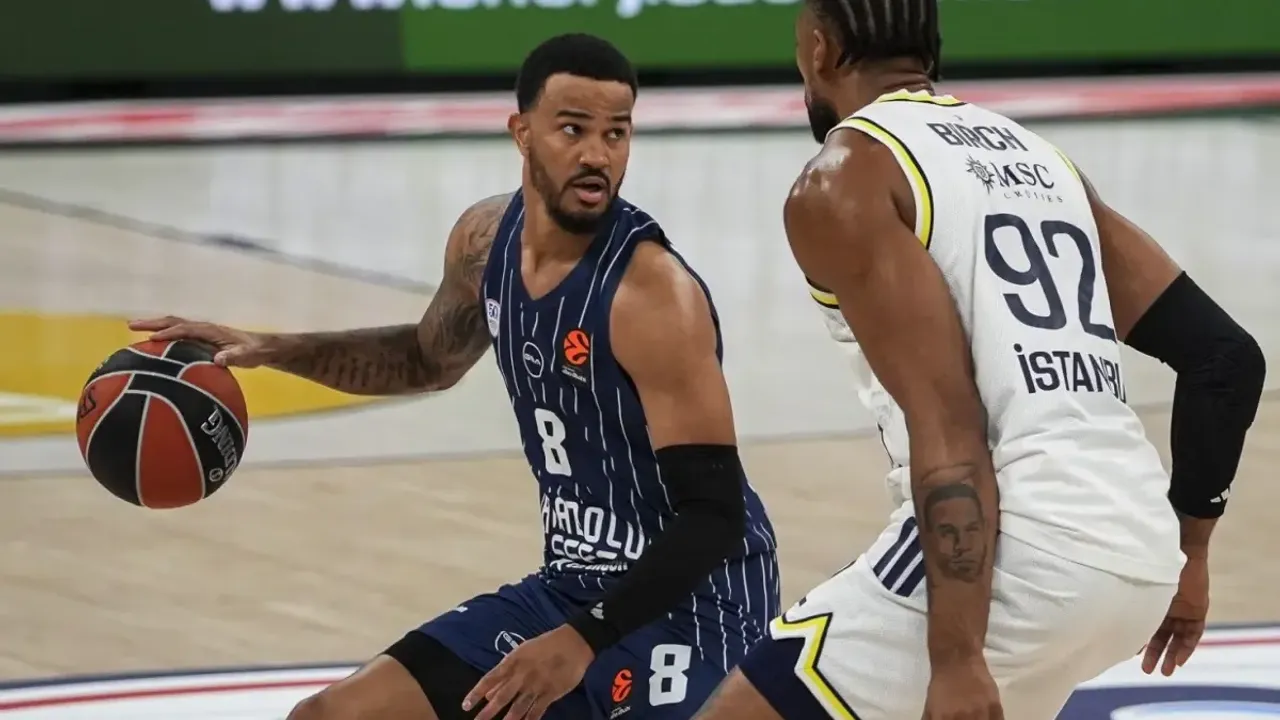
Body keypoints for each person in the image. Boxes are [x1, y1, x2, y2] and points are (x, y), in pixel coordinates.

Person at [131, 33, 780, 720]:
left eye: (615, 133)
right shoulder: (485, 243)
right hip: (572, 588)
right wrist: (272, 348)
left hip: (693, 605)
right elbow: (426, 359)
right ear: (521, 133)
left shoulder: (652, 294)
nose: (597, 154)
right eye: (573, 130)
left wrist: (582, 640)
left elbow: (714, 517)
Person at [692, 2, 1266, 720]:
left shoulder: (842, 178)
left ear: (818, 47)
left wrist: (956, 655)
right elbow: (1226, 359)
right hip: (1140, 554)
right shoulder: (1041, 159)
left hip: (1020, 555)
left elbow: (952, 430)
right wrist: (1189, 554)